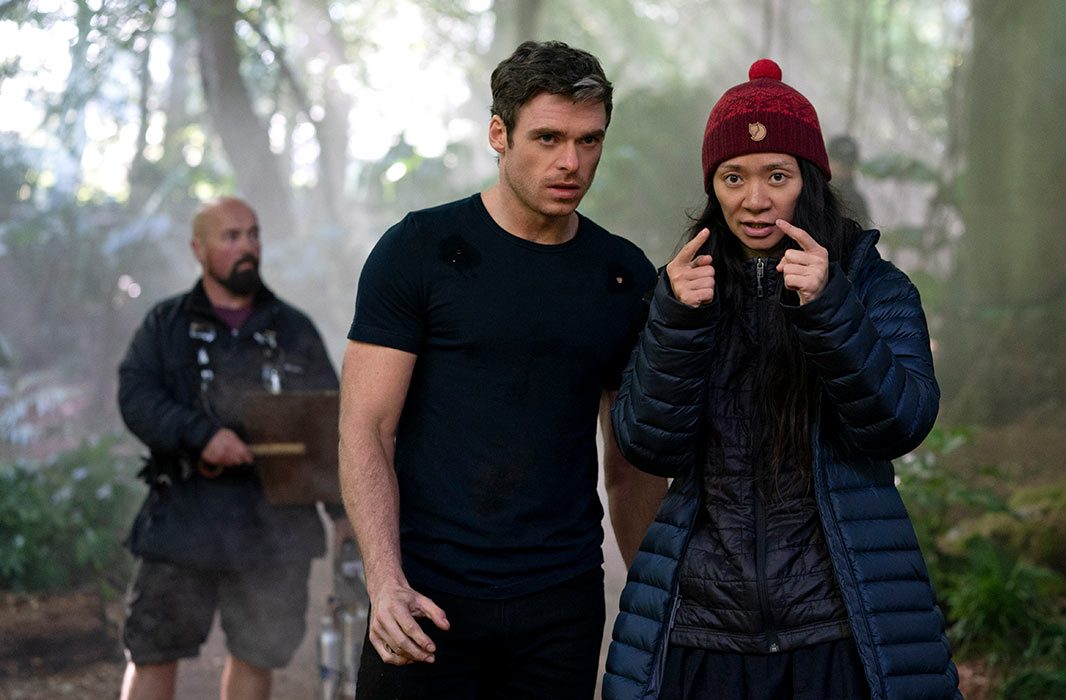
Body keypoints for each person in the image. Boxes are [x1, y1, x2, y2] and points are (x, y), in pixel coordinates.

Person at [602, 60, 961, 700]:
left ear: (809, 181)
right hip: (704, 629)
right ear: (713, 188)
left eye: (777, 175)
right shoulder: (683, 290)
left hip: (839, 622)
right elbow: (647, 446)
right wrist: (678, 322)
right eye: (733, 177)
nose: (755, 199)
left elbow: (900, 424)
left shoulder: (873, 287)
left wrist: (829, 308)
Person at [339, 40, 665, 700]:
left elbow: (630, 465)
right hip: (425, 594)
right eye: (548, 138)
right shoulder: (418, 251)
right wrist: (385, 582)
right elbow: (365, 429)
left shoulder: (622, 275)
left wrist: (656, 598)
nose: (571, 162)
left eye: (589, 140)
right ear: (499, 133)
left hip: (561, 601)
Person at [117, 196, 343, 700]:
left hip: (274, 529)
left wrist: (343, 513)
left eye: (253, 234)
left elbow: (327, 425)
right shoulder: (166, 325)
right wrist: (201, 435)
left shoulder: (293, 328)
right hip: (183, 520)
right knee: (152, 651)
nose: (248, 247)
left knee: (257, 655)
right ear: (198, 249)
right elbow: (136, 397)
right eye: (231, 236)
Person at [828, 133, 871, 226]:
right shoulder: (813, 193)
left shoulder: (857, 201)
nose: (844, 170)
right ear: (828, 161)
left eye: (848, 165)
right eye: (840, 164)